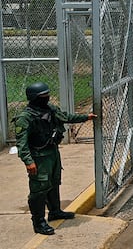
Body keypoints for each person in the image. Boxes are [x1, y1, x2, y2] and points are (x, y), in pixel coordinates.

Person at [13, 82, 96, 235]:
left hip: (52, 153)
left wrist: (86, 117)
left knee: (54, 182)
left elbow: (66, 117)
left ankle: (55, 211)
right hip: (39, 157)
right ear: (34, 98)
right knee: (39, 190)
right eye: (43, 96)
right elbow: (22, 143)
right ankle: (38, 222)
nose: (47, 98)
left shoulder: (50, 109)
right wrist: (28, 161)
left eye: (47, 95)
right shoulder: (25, 118)